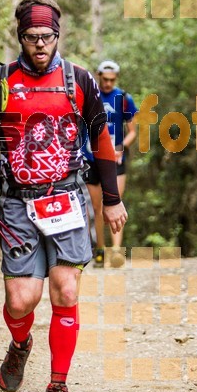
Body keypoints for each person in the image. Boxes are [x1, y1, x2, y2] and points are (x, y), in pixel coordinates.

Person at [0, 0, 127, 392]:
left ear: (58, 36)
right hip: (17, 201)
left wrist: (111, 198)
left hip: (67, 198)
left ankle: (58, 387)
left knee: (66, 291)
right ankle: (20, 344)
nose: (40, 44)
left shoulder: (79, 80)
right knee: (21, 301)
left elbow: (103, 141)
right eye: (32, 37)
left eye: (47, 36)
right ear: (20, 37)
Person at [83, 60, 138, 267]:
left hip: (116, 159)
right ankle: (100, 249)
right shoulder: (90, 96)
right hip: (91, 158)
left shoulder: (124, 99)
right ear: (98, 76)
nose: (107, 83)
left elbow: (132, 131)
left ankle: (117, 251)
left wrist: (120, 147)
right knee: (96, 208)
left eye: (111, 80)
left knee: (115, 202)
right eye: (104, 79)